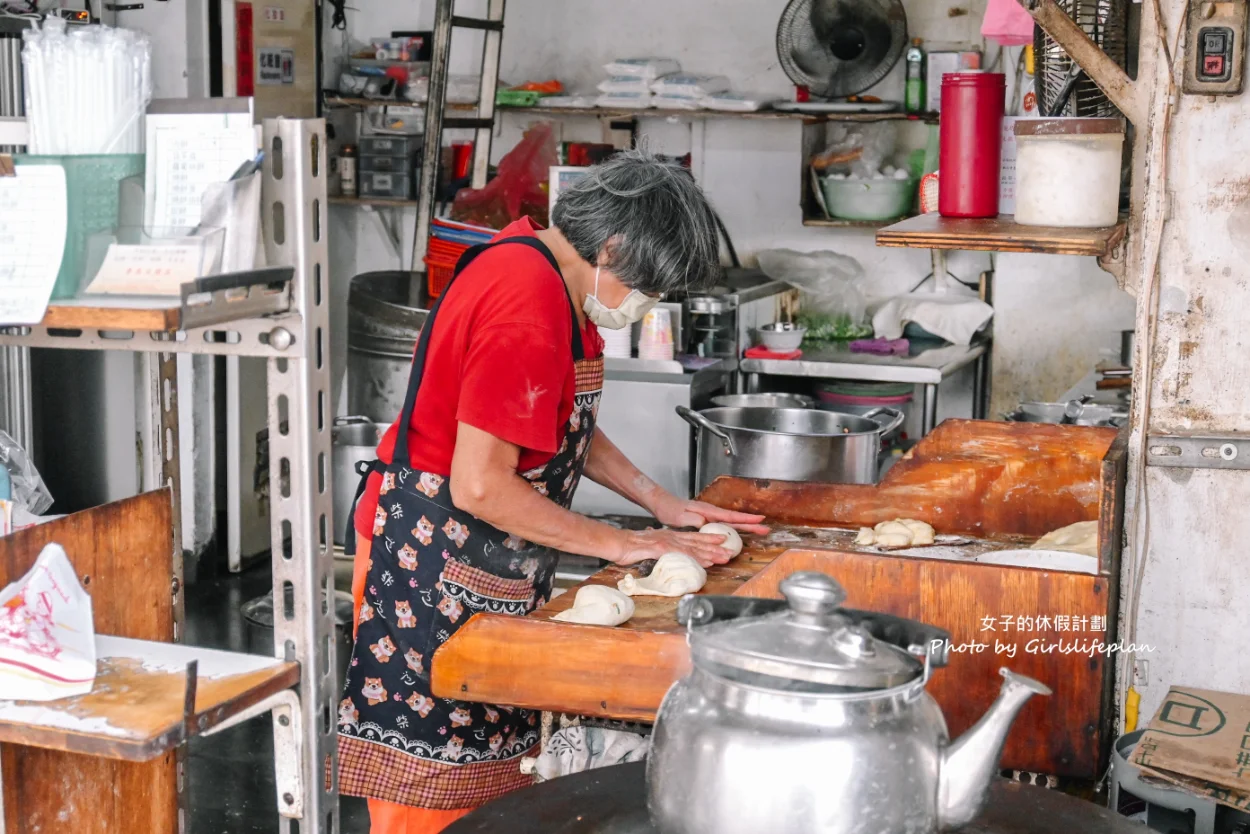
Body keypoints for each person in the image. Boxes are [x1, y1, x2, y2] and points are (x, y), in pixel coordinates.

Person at [338, 150, 768, 833]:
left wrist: (660, 504)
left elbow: (556, 420)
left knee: (492, 801)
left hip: (477, 574)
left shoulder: (545, 272)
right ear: (613, 247)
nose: (647, 304)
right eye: (648, 287)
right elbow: (480, 485)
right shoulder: (525, 301)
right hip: (427, 576)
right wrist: (624, 545)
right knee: (433, 801)